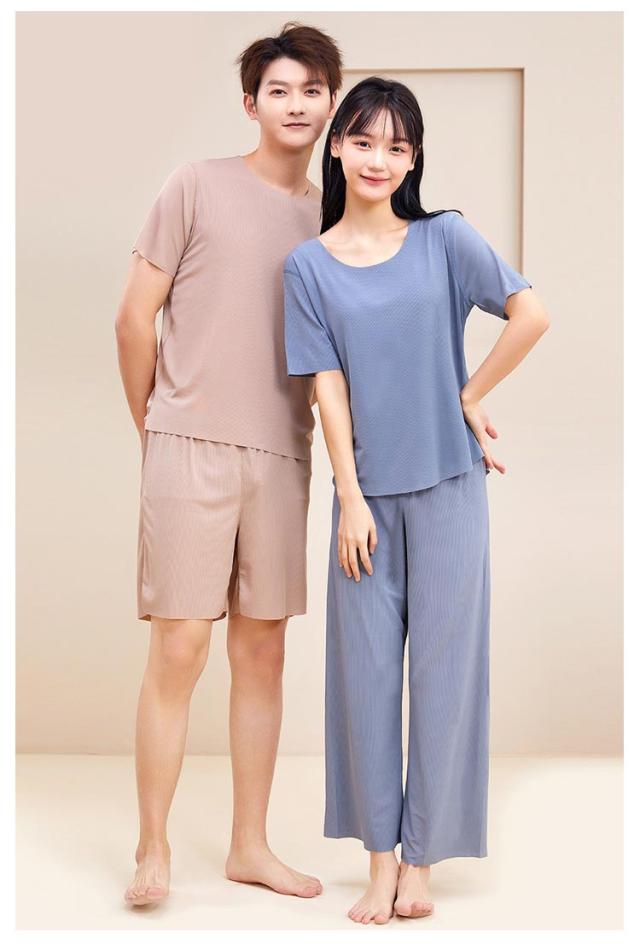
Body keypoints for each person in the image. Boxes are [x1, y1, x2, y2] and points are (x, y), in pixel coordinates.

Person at [283, 76, 550, 925]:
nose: (379, 159)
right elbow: (326, 388)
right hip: (364, 502)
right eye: (364, 141)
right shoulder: (307, 267)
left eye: (397, 146)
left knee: (444, 674)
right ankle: (378, 861)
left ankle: (421, 862)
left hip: (448, 490)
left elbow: (530, 314)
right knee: (364, 680)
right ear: (336, 147)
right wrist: (349, 496)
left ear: (414, 158)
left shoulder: (444, 239)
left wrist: (469, 394)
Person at [115, 21, 342, 906]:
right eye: (279, 90)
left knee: (264, 652)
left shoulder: (333, 215)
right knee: (180, 646)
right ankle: (153, 848)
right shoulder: (196, 185)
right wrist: (154, 425)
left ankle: (250, 845)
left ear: (331, 101)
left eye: (312, 90)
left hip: (284, 453)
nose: (297, 104)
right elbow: (135, 318)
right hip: (189, 445)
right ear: (252, 104)